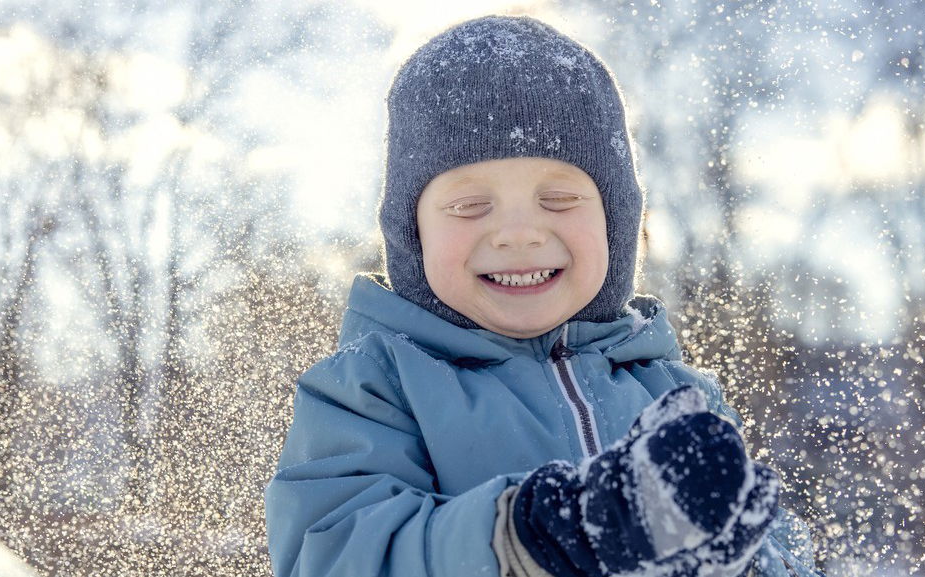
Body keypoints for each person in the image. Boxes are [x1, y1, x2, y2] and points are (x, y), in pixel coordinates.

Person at [264, 15, 819, 577]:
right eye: (468, 206)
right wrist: (535, 533)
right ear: (413, 236)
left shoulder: (674, 391)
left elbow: (784, 555)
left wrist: (749, 561)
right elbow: (334, 555)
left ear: (617, 225)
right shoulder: (375, 387)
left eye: (557, 199)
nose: (519, 233)